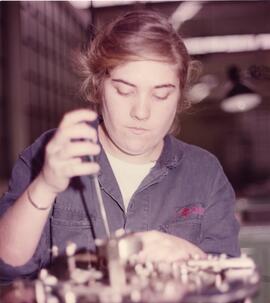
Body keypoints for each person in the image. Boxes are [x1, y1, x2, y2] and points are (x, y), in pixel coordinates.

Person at [0, 10, 240, 282]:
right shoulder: (50, 153)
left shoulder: (204, 173)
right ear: (99, 85)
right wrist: (45, 185)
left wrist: (189, 255)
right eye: (124, 90)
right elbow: (6, 266)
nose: (141, 111)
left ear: (178, 96)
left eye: (161, 95)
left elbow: (229, 284)